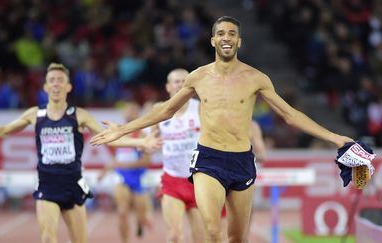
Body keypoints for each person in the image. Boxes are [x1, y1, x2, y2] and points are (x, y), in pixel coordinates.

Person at [90, 16, 353, 243]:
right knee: (213, 231)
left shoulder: (256, 78)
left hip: (242, 161)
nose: (226, 38)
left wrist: (334, 137)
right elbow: (165, 110)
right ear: (213, 41)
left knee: (237, 237)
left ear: (239, 41)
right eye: (220, 34)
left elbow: (290, 115)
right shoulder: (198, 77)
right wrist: (123, 130)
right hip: (208, 159)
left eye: (232, 34)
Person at [0, 63, 161, 243]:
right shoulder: (35, 113)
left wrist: (142, 141)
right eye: (51, 80)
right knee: (47, 237)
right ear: (45, 86)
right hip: (47, 183)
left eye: (60, 80)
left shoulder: (79, 115)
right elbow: (6, 130)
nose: (56, 83)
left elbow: (109, 138)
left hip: (73, 183)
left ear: (68, 86)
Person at [151, 68, 205, 243]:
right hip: (172, 180)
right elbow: (150, 141)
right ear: (168, 87)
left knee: (201, 238)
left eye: (185, 81)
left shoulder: (201, 107)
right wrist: (147, 145)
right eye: (177, 81)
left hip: (198, 181)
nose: (181, 85)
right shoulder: (159, 109)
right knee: (174, 236)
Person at [98, 102, 153, 243]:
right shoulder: (117, 133)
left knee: (141, 215)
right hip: (121, 176)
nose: (129, 113)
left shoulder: (142, 135)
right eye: (127, 111)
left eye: (133, 111)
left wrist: (121, 164)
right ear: (123, 114)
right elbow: (117, 157)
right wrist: (105, 170)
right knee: (122, 211)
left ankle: (141, 222)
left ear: (138, 115)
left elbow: (146, 161)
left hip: (138, 176)